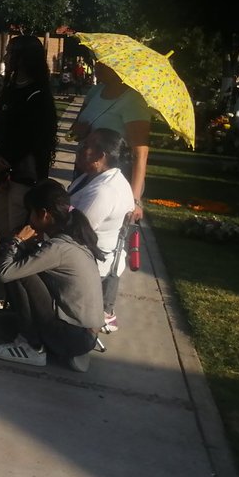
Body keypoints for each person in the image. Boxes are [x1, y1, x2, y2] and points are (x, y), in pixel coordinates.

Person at [0, 179, 106, 373]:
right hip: (85, 335)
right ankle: (58, 348)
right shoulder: (72, 238)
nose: (28, 219)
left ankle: (32, 347)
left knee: (18, 274)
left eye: (31, 213)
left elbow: (5, 274)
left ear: (43, 214)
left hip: (74, 337)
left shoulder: (57, 248)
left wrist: (15, 241)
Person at [0, 35, 57, 304]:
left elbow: (36, 144)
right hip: (2, 175)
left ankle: (15, 297)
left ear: (27, 57)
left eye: (12, 52)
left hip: (23, 179)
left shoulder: (39, 96)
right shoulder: (10, 88)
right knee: (2, 233)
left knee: (18, 236)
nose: (7, 56)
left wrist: (8, 167)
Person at [68, 128, 136, 334]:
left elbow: (76, 232)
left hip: (88, 264)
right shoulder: (91, 177)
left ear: (100, 156)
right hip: (82, 254)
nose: (80, 148)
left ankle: (32, 338)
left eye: (86, 146)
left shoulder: (105, 191)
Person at [71, 61, 151, 222]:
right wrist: (78, 131)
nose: (97, 66)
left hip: (113, 176)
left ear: (120, 68)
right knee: (76, 221)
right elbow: (75, 129)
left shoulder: (134, 100)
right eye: (98, 61)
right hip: (85, 169)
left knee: (98, 231)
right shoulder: (95, 91)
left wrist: (134, 200)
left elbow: (140, 152)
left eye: (105, 64)